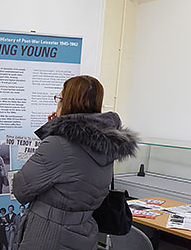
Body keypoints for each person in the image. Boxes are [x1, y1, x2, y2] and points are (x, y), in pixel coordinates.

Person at [12, 75, 138, 250]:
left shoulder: (58, 145)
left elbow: (21, 190)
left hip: (48, 236)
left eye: (60, 98)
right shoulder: (107, 144)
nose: (57, 103)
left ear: (68, 102)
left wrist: (53, 134)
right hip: (85, 232)